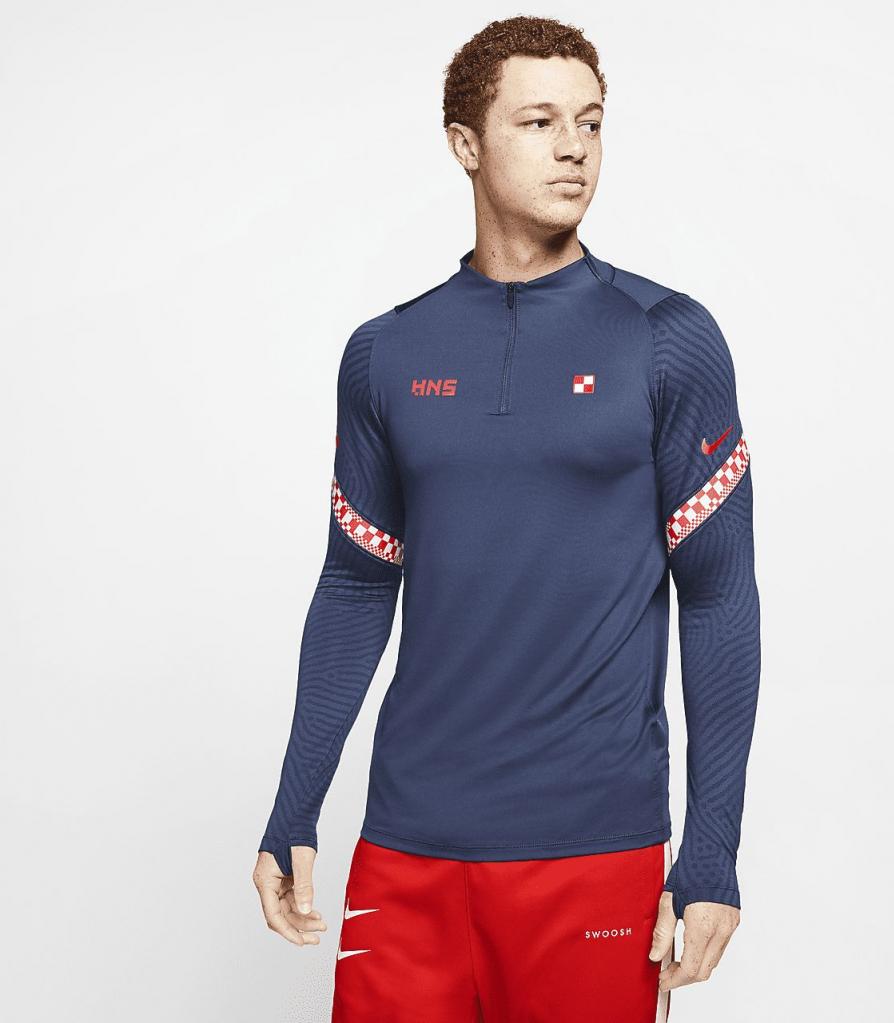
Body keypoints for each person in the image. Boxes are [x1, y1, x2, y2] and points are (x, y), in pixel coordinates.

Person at [252, 15, 761, 1022]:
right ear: (466, 144)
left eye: (591, 122)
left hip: (595, 851)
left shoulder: (666, 339)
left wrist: (711, 851)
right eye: (538, 121)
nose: (574, 147)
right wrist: (292, 806)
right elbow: (355, 584)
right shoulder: (385, 353)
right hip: (407, 848)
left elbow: (719, 599)